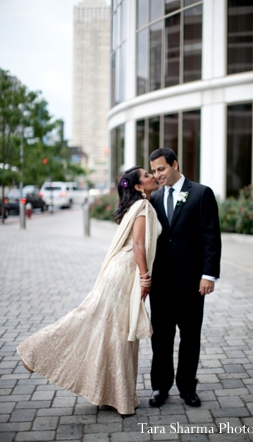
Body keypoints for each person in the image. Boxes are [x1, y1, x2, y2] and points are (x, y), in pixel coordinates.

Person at [17, 166, 161, 416]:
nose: (152, 177)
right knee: (112, 331)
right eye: (147, 175)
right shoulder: (143, 207)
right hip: (125, 274)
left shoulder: (135, 206)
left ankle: (111, 396)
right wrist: (145, 278)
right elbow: (138, 245)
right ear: (139, 187)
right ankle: (35, 350)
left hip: (117, 273)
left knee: (102, 327)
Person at [148, 148, 221, 408]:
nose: (157, 175)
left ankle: (188, 387)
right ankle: (160, 387)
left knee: (190, 337)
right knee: (161, 338)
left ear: (174, 164)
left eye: (161, 169)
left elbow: (211, 237)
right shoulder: (154, 199)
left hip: (192, 283)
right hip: (161, 285)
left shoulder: (201, 194)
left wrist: (209, 274)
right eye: (154, 171)